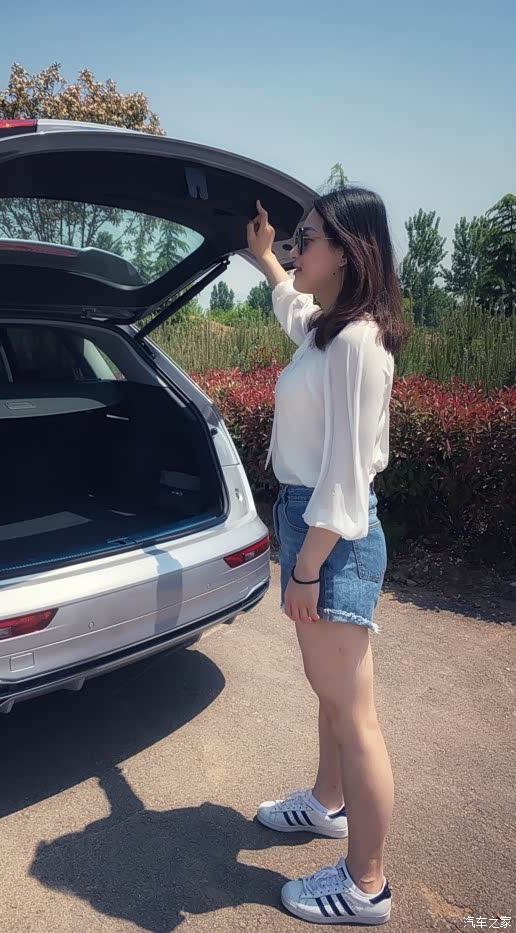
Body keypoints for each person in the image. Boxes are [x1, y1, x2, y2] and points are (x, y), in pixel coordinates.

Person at [246, 189, 409, 926]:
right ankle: (327, 802)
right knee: (332, 696)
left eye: (304, 239)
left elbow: (347, 477)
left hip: (329, 535)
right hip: (311, 522)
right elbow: (293, 309)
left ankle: (367, 884)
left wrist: (306, 568)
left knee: (354, 714)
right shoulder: (328, 330)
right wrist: (265, 261)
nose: (294, 249)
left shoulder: (356, 343)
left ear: (346, 250)